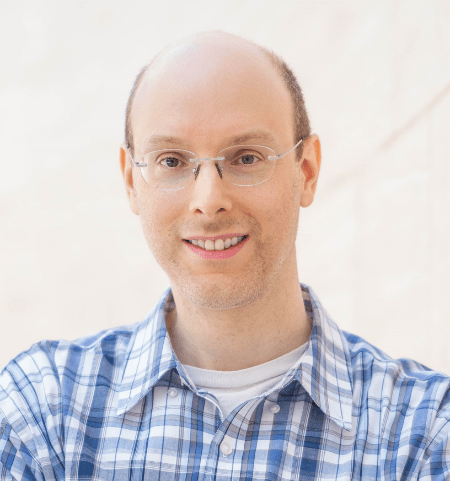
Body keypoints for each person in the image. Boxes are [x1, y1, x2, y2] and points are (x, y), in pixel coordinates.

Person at [1, 30, 449, 481]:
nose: (208, 199)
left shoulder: (422, 432)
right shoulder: (43, 411)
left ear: (307, 172)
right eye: (172, 161)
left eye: (246, 158)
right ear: (131, 182)